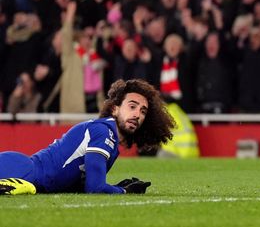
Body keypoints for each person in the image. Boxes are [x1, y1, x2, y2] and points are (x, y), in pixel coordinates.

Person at [0, 79, 175, 195]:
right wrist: (124, 191)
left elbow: (80, 185)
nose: (137, 114)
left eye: (143, 111)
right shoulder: (103, 132)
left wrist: (116, 187)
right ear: (114, 109)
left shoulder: (110, 139)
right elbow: (95, 188)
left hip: (27, 177)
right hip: (22, 170)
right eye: (132, 106)